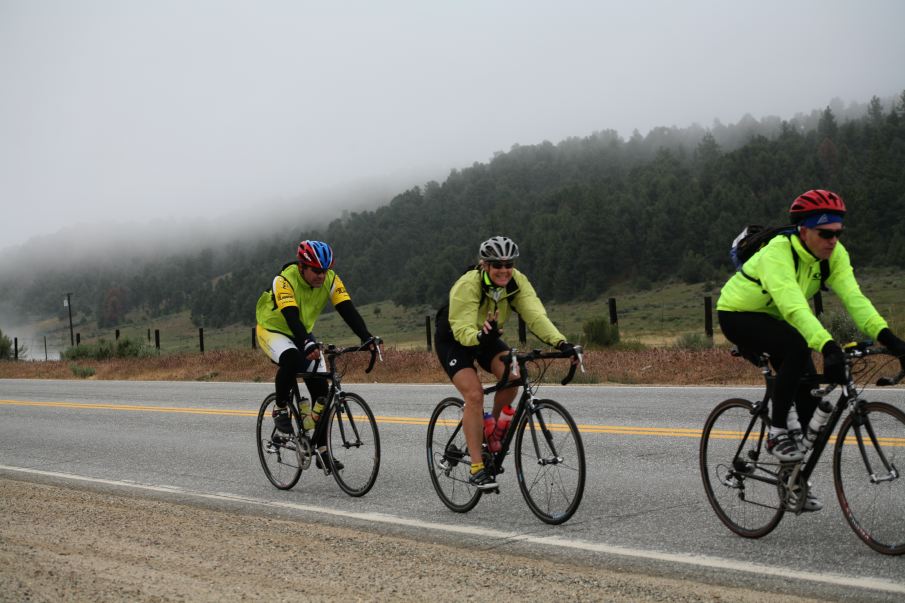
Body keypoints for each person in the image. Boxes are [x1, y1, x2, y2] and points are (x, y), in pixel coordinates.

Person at [717, 190, 905, 509]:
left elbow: (856, 302)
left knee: (807, 403)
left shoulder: (835, 256)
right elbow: (793, 308)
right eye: (826, 233)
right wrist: (829, 346)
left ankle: (790, 482)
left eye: (838, 233)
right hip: (738, 314)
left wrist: (892, 340)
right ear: (803, 231)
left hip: (776, 316)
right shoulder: (779, 252)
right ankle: (777, 431)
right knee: (796, 346)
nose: (833, 240)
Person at [434, 236, 577, 490]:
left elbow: (535, 314)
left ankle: (491, 434)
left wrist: (561, 343)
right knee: (475, 395)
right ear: (485, 265)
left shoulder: (516, 282)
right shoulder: (468, 285)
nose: (503, 270)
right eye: (497, 265)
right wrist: (479, 336)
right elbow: (462, 327)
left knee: (513, 375)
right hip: (456, 339)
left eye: (508, 264)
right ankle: (477, 468)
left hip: (488, 337)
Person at [255, 239, 377, 473]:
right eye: (316, 271)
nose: (321, 276)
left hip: (302, 331)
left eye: (325, 271)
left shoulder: (331, 279)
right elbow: (290, 315)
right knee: (292, 358)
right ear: (302, 267)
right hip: (273, 329)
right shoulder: (284, 280)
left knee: (321, 391)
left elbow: (347, 309)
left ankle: (322, 451)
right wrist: (307, 341)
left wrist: (366, 337)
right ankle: (280, 408)